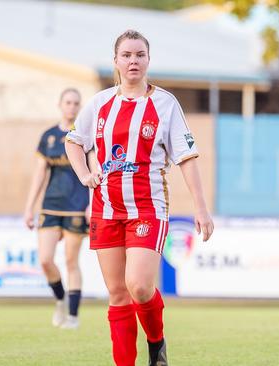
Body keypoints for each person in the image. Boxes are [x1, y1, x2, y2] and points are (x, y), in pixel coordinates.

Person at [65, 30, 214, 366]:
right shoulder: (100, 103)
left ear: (148, 60)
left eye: (140, 55)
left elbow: (186, 158)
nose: (133, 61)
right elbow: (73, 141)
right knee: (118, 294)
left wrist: (201, 210)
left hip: (148, 209)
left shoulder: (165, 104)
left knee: (139, 286)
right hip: (105, 209)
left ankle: (156, 344)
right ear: (116, 61)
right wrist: (84, 174)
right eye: (127, 55)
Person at [23, 88, 90, 330]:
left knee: (72, 261)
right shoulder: (48, 136)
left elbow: (94, 170)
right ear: (60, 105)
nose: (71, 107)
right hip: (51, 205)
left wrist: (92, 202)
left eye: (75, 103)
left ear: (79, 107)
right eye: (68, 102)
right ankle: (60, 299)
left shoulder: (85, 135)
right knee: (45, 260)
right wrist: (29, 207)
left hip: (76, 206)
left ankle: (72, 316)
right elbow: (40, 173)